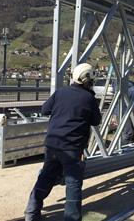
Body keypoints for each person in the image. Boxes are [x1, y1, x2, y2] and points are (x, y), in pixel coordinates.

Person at [24, 63, 101, 221]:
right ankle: (71, 218)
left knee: (46, 176)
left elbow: (45, 110)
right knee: (73, 184)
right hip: (72, 148)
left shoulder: (60, 92)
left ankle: (31, 213)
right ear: (88, 80)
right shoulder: (89, 98)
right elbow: (96, 121)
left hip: (53, 144)